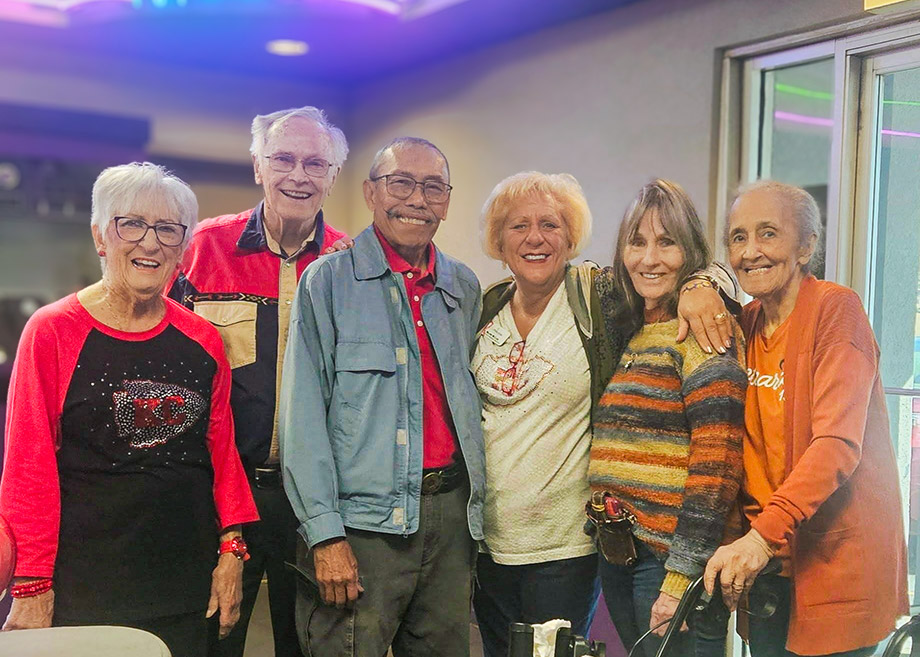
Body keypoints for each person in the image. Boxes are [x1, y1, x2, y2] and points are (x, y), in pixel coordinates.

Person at [0, 162, 259, 657]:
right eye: (131, 224)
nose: (150, 242)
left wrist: (232, 552)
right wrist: (31, 586)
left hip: (185, 580)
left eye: (167, 229)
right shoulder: (51, 331)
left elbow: (221, 453)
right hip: (83, 583)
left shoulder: (202, 338)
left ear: (182, 249)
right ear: (101, 236)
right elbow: (27, 467)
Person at [278, 137, 484, 657]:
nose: (417, 199)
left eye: (433, 187)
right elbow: (301, 420)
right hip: (360, 529)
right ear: (371, 193)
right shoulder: (328, 281)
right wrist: (324, 536)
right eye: (401, 183)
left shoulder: (463, 286)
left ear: (448, 200)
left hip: (450, 518)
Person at [169, 106, 350, 657]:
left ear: (332, 176)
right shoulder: (202, 249)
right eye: (284, 159)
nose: (299, 175)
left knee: (307, 645)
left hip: (312, 501)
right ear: (257, 167)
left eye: (315, 163)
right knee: (210, 639)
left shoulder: (350, 264)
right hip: (222, 495)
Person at [704, 180, 908, 657]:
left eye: (768, 234)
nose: (750, 251)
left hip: (832, 563)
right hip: (771, 566)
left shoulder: (836, 309)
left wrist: (759, 537)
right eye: (738, 237)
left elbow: (837, 443)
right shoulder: (747, 323)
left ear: (806, 246)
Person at [588, 179, 746, 657]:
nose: (649, 258)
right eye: (637, 242)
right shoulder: (637, 329)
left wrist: (679, 578)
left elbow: (717, 466)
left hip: (668, 563)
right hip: (623, 553)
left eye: (666, 242)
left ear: (690, 250)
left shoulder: (702, 329)